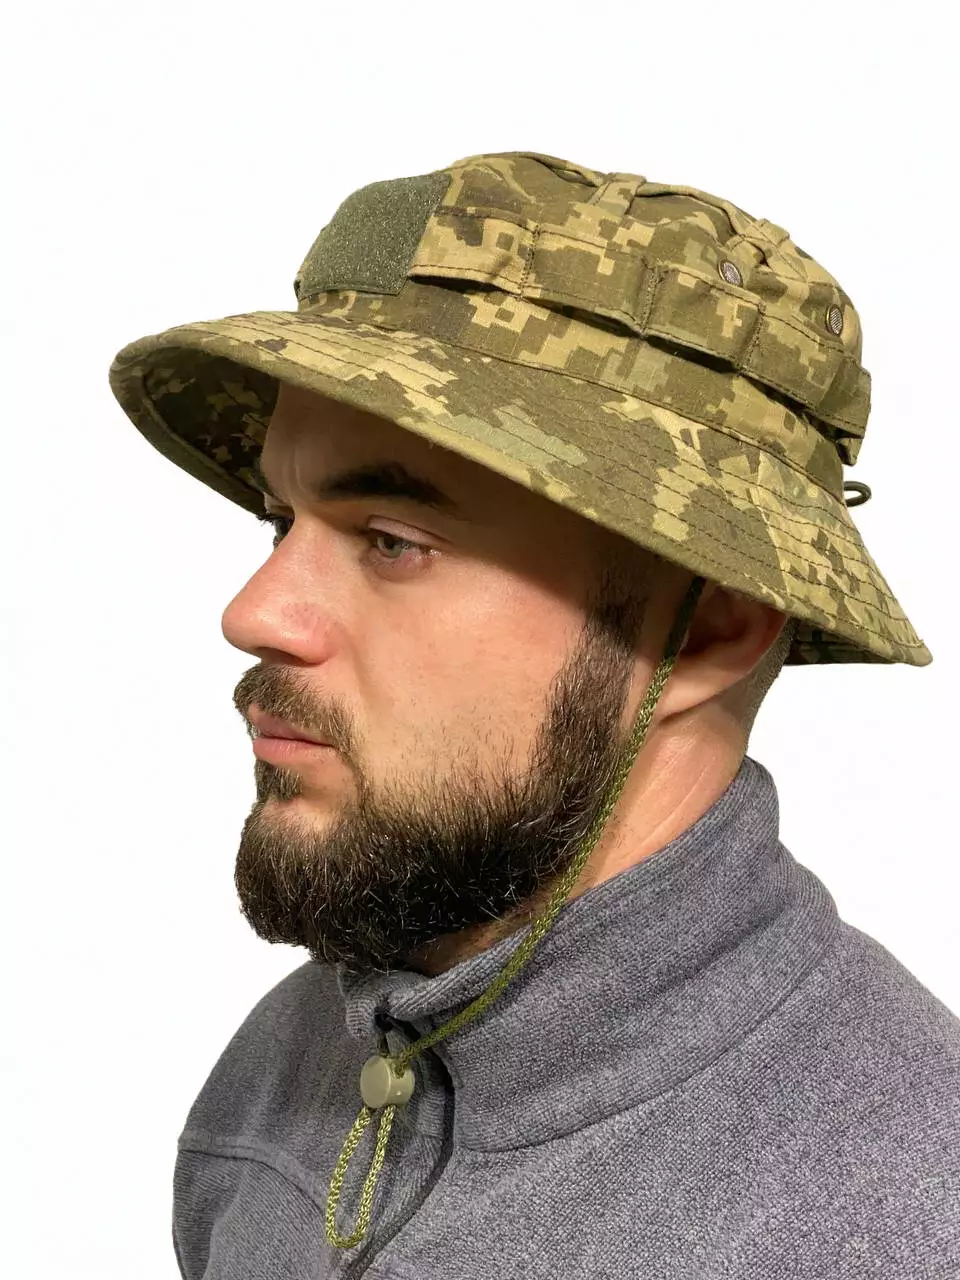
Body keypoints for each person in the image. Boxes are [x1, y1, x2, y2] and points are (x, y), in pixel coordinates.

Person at [109, 151, 959, 1278]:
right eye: (281, 522)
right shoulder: (292, 1065)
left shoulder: (899, 1219)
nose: (254, 612)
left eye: (391, 540)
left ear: (708, 632)